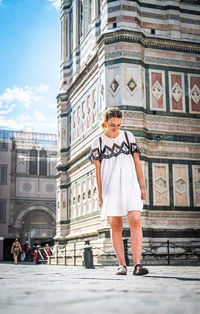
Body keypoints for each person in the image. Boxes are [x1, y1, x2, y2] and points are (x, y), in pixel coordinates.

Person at [89, 107, 149, 276]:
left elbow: (137, 162)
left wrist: (142, 186)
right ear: (105, 123)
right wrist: (100, 195)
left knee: (135, 220)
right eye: (112, 124)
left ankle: (137, 265)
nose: (115, 128)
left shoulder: (128, 136)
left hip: (130, 185)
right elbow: (98, 172)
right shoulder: (98, 142)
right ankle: (122, 265)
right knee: (116, 225)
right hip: (111, 187)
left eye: (118, 124)